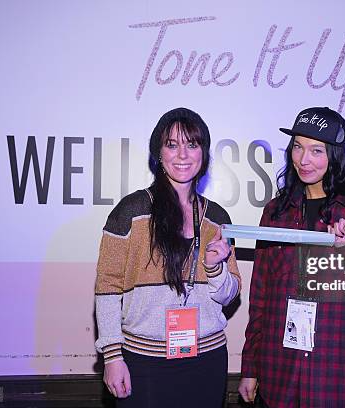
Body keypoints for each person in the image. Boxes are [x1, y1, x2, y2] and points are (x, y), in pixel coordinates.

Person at [239, 107, 345, 407]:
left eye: (316, 150)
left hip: (338, 376)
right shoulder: (276, 212)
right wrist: (250, 367)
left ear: (336, 154)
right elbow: (261, 296)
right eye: (298, 147)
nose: (304, 160)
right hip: (280, 373)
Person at [94, 107, 241, 407]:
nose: (183, 154)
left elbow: (230, 295)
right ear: (158, 153)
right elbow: (107, 287)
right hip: (145, 363)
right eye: (171, 145)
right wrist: (112, 356)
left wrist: (215, 269)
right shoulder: (130, 211)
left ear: (204, 153)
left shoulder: (217, 217)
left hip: (208, 360)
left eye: (192, 144)